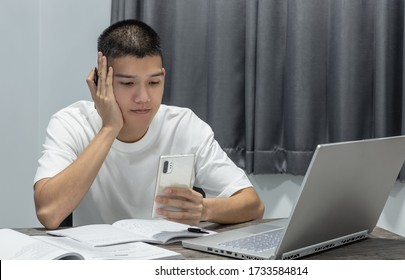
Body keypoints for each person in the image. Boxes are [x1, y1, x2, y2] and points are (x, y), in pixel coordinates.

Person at [33, 19, 265, 230]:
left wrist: (205, 210)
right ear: (100, 80)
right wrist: (109, 128)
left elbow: (253, 204)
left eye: (154, 82)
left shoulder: (184, 125)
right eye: (127, 83)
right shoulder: (70, 123)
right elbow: (49, 213)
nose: (143, 97)